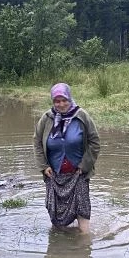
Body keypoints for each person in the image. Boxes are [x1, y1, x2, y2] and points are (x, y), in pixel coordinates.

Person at [33, 82, 100, 233]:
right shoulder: (47, 118)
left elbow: (94, 142)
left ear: (70, 99)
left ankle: (84, 243)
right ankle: (59, 244)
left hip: (78, 173)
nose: (61, 104)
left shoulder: (81, 116)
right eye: (57, 101)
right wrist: (44, 166)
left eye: (64, 100)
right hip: (54, 174)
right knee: (54, 211)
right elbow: (37, 142)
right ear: (53, 101)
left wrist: (84, 165)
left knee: (82, 208)